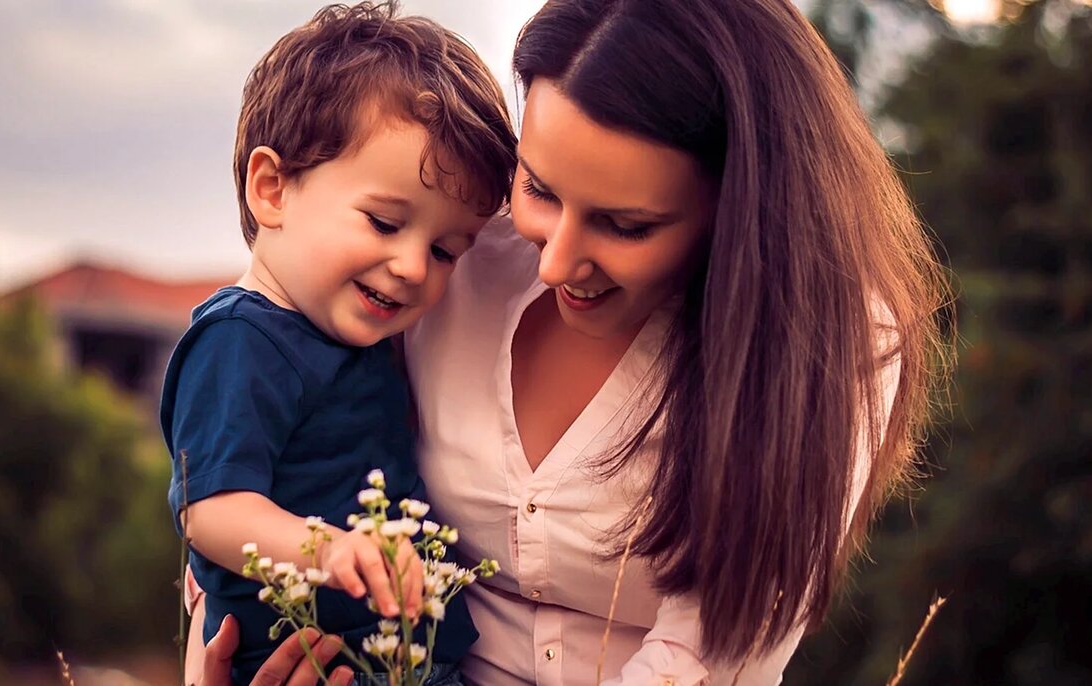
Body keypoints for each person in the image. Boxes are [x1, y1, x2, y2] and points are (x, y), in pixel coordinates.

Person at [192, 0, 950, 683]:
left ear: (740, 211)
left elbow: (708, 657)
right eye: (539, 190)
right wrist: (214, 660)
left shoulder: (831, 350)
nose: (553, 262)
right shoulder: (445, 252)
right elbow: (248, 453)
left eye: (625, 225)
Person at [161, 3, 517, 685]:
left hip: (402, 655)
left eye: (445, 250)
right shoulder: (240, 339)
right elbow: (210, 510)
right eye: (385, 222)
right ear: (272, 189)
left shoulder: (360, 336)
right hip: (309, 664)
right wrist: (326, 550)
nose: (414, 266)